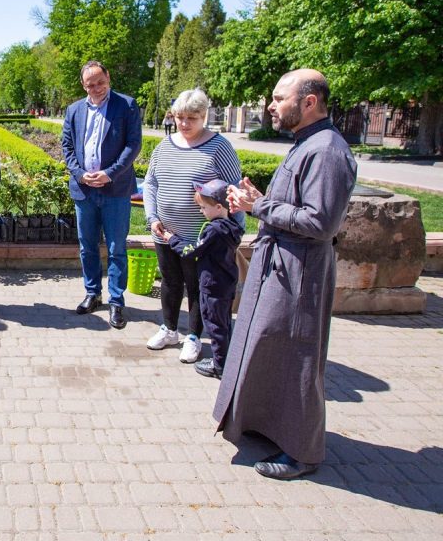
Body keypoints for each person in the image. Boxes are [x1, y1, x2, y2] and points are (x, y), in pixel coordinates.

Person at [216, 69, 357, 480]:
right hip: (282, 268)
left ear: (309, 102)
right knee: (270, 348)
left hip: (301, 274)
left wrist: (256, 208)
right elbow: (298, 205)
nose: (271, 106)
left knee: (297, 358)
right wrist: (259, 198)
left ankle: (303, 452)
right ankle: (268, 426)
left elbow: (320, 222)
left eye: (279, 98)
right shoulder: (308, 143)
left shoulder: (327, 151)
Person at [142, 88, 243, 363]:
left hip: (201, 237)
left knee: (198, 286)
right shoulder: (165, 145)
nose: (185, 124)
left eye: (192, 118)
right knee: (170, 282)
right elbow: (150, 183)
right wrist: (152, 218)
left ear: (204, 117)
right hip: (165, 233)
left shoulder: (219, 146)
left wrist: (234, 230)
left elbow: (233, 188)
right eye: (180, 117)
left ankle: (194, 336)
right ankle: (170, 328)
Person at [60, 61, 142, 328]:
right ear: (83, 85)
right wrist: (79, 173)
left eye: (100, 82)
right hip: (84, 190)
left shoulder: (126, 105)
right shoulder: (73, 110)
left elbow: (133, 144)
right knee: (87, 246)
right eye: (90, 84)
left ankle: (117, 301)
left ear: (109, 77)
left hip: (115, 189)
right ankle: (93, 293)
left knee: (117, 247)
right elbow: (67, 146)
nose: (95, 88)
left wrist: (110, 173)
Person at [165, 179, 243, 378]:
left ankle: (220, 366)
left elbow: (192, 251)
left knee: (214, 325)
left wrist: (171, 239)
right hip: (226, 283)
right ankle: (228, 359)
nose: (201, 211)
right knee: (224, 322)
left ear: (218, 207)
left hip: (212, 284)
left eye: (203, 207)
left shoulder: (213, 230)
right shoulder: (232, 226)